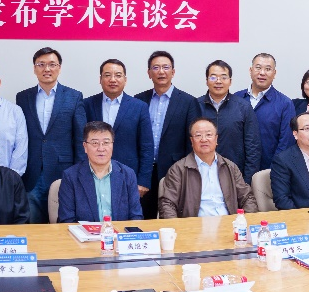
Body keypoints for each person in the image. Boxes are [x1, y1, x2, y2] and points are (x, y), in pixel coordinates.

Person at [16, 47, 85, 224]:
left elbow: (80, 139)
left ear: (59, 68)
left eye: (52, 64)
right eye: (41, 64)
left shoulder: (74, 96)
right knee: (33, 225)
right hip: (32, 173)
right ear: (34, 68)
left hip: (63, 173)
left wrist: (79, 172)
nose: (47, 69)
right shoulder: (22, 97)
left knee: (63, 225)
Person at [133, 51, 201, 219]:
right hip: (144, 171)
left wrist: (188, 173)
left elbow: (192, 142)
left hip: (175, 170)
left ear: (173, 71)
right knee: (143, 217)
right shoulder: (138, 100)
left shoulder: (188, 102)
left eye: (165, 67)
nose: (161, 72)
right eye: (156, 68)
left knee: (172, 218)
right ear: (149, 73)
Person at [158, 118, 257, 218]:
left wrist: (247, 221)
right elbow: (167, 204)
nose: (204, 139)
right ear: (192, 141)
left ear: (216, 139)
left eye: (209, 135)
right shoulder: (178, 169)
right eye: (198, 135)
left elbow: (247, 198)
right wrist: (178, 226)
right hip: (195, 224)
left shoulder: (230, 167)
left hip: (228, 223)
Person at [79, 59, 152, 194]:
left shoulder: (139, 107)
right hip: (92, 174)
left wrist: (143, 181)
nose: (113, 79)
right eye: (107, 75)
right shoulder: (87, 104)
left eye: (118, 75)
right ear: (100, 79)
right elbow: (81, 141)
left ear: (125, 79)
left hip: (129, 175)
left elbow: (147, 146)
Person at [56, 121, 144, 223]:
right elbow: (67, 220)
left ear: (112, 145)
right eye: (95, 143)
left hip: (118, 232)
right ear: (85, 147)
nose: (101, 148)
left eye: (106, 143)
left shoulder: (128, 174)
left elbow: (136, 216)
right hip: (83, 233)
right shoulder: (70, 176)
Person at [197, 60, 261, 183]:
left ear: (230, 81)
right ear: (206, 81)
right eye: (213, 77)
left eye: (223, 77)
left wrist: (247, 181)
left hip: (234, 175)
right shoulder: (196, 106)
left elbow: (253, 147)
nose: (218, 81)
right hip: (201, 174)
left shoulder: (243, 107)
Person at [234, 53, 294, 170]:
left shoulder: (285, 103)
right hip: (236, 170)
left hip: (268, 171)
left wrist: (274, 170)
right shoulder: (236, 98)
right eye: (258, 68)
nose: (262, 73)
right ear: (250, 70)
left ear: (274, 73)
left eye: (268, 69)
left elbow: (286, 143)